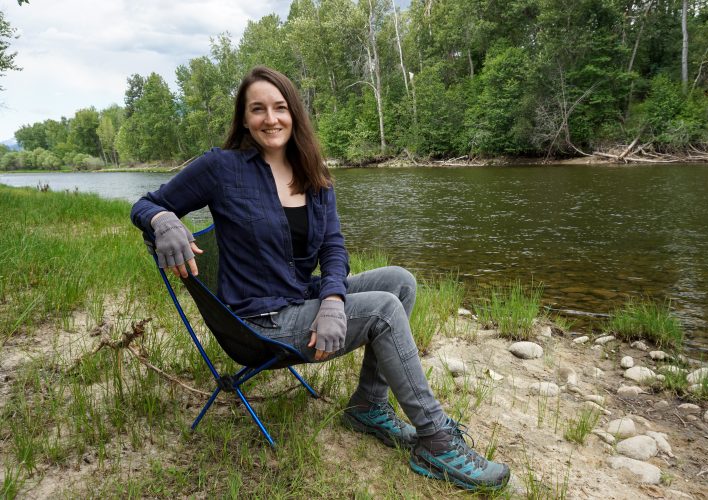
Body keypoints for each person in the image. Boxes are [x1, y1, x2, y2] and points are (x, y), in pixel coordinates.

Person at [130, 66, 510, 491]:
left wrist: (332, 300)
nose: (270, 119)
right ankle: (436, 441)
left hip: (300, 296)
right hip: (258, 323)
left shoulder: (312, 171)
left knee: (400, 281)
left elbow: (333, 247)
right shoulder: (221, 168)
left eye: (279, 108)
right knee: (383, 310)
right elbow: (146, 203)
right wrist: (163, 220)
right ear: (244, 118)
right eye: (258, 109)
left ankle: (368, 405)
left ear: (294, 113)